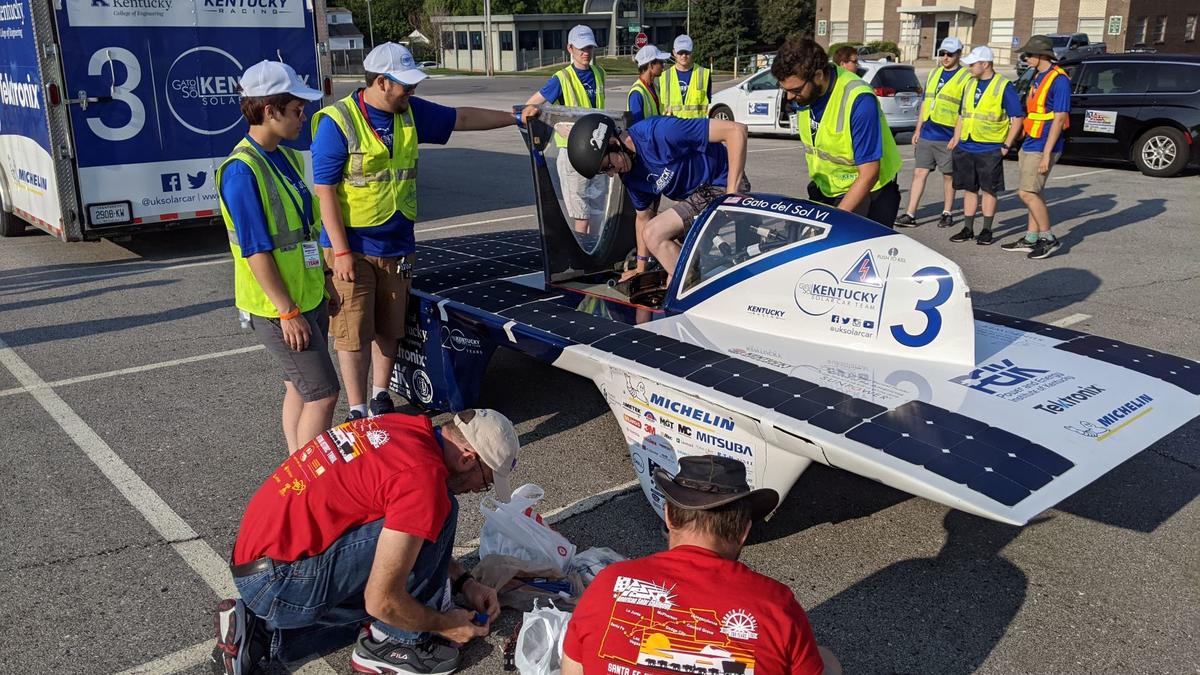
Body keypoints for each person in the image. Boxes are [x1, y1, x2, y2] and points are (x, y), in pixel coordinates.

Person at [210, 409, 522, 675]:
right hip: (279, 581)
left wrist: (464, 581)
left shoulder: (405, 427)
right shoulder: (423, 480)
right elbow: (381, 600)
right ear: (469, 459)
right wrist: (442, 624)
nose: (476, 490)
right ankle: (392, 644)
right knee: (435, 519)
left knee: (429, 527)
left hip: (259, 563)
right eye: (484, 483)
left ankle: (259, 633)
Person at [311, 43, 519, 424]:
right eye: (405, 85)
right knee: (353, 331)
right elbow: (324, 191)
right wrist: (340, 251)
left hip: (397, 243)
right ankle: (357, 409)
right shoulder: (337, 122)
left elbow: (462, 118)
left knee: (390, 326)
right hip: (352, 248)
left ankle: (380, 395)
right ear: (379, 82)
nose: (412, 91)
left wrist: (514, 118)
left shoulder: (409, 113)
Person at [561, 455, 841, 675]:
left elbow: (573, 668)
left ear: (669, 516)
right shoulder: (777, 605)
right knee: (826, 661)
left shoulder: (608, 583)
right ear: (744, 530)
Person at [219, 61, 338, 454]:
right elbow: (256, 250)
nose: (303, 117)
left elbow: (303, 230)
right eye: (296, 110)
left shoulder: (285, 157)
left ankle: (295, 472)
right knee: (323, 395)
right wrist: (287, 311)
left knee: (299, 388)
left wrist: (324, 279)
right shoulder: (241, 170)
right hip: (279, 307)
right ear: (269, 110)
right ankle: (309, 485)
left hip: (308, 294)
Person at [563, 112, 748, 284]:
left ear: (614, 143)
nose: (611, 174)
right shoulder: (630, 174)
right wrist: (641, 268)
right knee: (669, 260)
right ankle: (689, 282)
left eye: (608, 166)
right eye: (605, 172)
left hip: (721, 184)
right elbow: (643, 218)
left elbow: (736, 131)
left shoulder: (660, 132)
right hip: (697, 198)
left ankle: (689, 284)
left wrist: (731, 195)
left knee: (656, 235)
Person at [771, 37, 902, 227]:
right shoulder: (806, 94)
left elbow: (869, 173)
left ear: (817, 75)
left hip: (868, 193)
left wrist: (832, 222)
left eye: (796, 90)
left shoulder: (859, 99)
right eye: (784, 89)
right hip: (827, 190)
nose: (790, 96)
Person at [522, 25, 607, 234]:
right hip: (573, 153)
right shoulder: (562, 78)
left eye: (589, 47)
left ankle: (596, 255)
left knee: (597, 212)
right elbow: (530, 106)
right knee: (581, 215)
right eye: (581, 48)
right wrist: (556, 124)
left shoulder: (599, 73)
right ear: (570, 48)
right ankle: (584, 258)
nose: (586, 52)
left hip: (596, 149)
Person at [947, 46, 1024, 246]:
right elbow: (962, 115)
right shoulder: (969, 84)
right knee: (969, 189)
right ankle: (968, 228)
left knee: (989, 190)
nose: (970, 67)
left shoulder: (1003, 85)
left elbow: (1017, 118)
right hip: (966, 145)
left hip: (990, 147)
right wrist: (957, 139)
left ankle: (987, 229)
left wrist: (1006, 145)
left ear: (985, 64)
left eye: (973, 64)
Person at [1003, 35, 1072, 260]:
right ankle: (1031, 237)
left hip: (1044, 143)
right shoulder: (1037, 74)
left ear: (1043, 56)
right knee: (1034, 190)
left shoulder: (1059, 79)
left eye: (1030, 54)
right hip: (1032, 139)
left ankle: (1048, 238)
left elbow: (1060, 118)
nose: (1026, 58)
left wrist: (1046, 154)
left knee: (1026, 192)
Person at [895, 37, 969, 229]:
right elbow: (926, 103)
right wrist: (917, 129)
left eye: (949, 54)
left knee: (948, 176)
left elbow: (965, 111)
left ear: (959, 55)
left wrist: (957, 136)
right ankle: (910, 213)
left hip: (948, 135)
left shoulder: (965, 78)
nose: (945, 57)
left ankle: (947, 212)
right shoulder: (934, 74)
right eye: (942, 53)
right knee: (919, 172)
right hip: (928, 132)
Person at [660, 34, 711, 119]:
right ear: (674, 52)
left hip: (696, 128)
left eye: (687, 52)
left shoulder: (704, 74)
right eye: (680, 52)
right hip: (672, 129)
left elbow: (708, 105)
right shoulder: (664, 77)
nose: (684, 55)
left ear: (692, 52)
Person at [628, 44, 670, 124]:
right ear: (650, 65)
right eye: (660, 62)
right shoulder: (637, 93)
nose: (663, 66)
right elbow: (637, 127)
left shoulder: (654, 87)